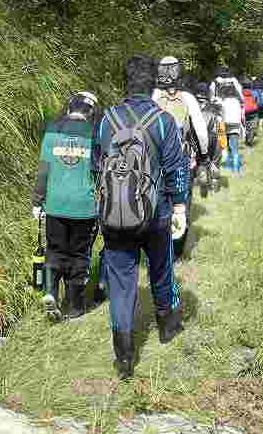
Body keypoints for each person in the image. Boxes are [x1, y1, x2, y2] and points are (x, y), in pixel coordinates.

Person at [94, 55, 188, 381]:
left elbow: (97, 166)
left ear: (125, 83)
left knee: (121, 280)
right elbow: (176, 168)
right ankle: (167, 328)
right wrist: (179, 206)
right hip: (155, 213)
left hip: (114, 214)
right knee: (161, 268)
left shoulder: (106, 120)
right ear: (153, 85)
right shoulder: (163, 121)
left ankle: (123, 356)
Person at [32, 91, 100, 322]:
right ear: (91, 112)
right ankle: (75, 306)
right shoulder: (95, 134)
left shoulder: (53, 130)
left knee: (55, 249)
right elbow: (99, 171)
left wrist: (37, 201)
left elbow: (44, 170)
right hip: (83, 207)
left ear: (70, 108)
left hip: (55, 203)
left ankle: (51, 292)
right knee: (79, 253)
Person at [152, 56, 210, 259]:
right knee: (181, 202)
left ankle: (156, 248)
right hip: (180, 161)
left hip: (156, 161)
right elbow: (201, 131)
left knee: (157, 201)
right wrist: (204, 157)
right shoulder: (187, 98)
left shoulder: (154, 95)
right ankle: (175, 252)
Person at [209, 66, 244, 173]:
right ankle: (235, 166)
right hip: (234, 116)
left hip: (221, 117)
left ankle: (226, 163)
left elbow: (211, 98)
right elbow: (241, 96)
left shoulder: (214, 82)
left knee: (222, 142)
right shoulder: (234, 81)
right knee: (234, 143)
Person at [193, 82, 224, 193]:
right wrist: (223, 142)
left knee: (201, 160)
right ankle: (214, 186)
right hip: (214, 136)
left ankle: (203, 182)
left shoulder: (192, 107)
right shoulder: (215, 106)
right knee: (215, 160)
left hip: (198, 138)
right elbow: (221, 124)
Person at [241, 77, 261, 147]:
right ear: (250, 85)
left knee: (246, 125)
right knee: (253, 125)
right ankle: (250, 139)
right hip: (253, 112)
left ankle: (247, 138)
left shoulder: (240, 93)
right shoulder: (254, 92)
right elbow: (259, 103)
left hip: (244, 112)